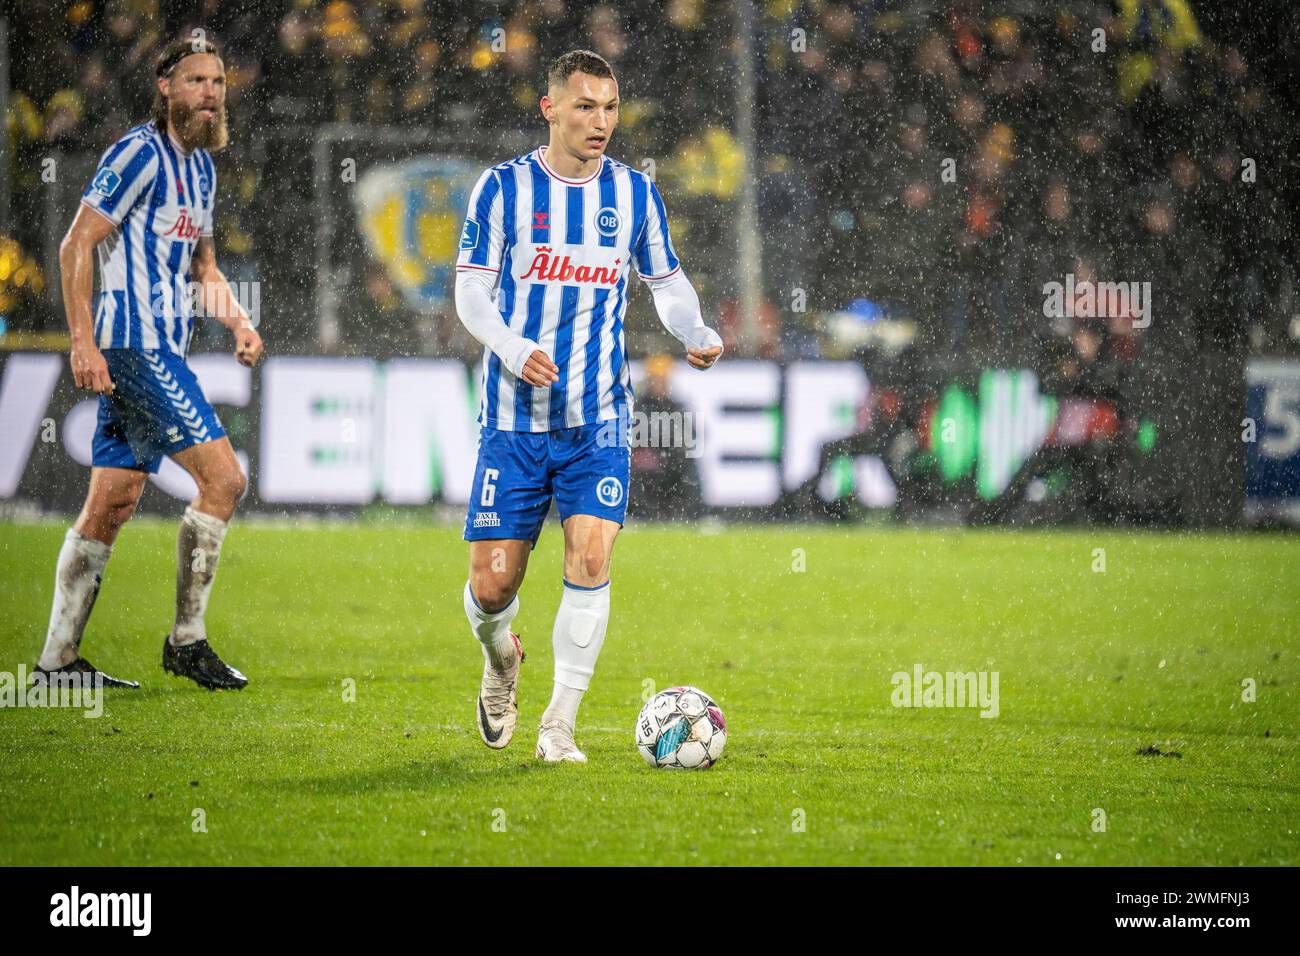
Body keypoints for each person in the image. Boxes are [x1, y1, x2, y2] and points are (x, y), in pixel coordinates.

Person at [455, 50, 723, 762]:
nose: (600, 121)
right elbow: (471, 293)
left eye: (609, 107)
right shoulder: (502, 189)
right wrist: (513, 347)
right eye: (584, 106)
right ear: (550, 108)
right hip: (513, 422)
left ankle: (558, 726)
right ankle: (500, 658)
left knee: (591, 554)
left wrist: (694, 330)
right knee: (492, 586)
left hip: (598, 419)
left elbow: (666, 281)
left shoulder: (635, 194)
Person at [33, 37, 263, 691]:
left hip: (161, 344)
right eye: (195, 80)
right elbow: (78, 241)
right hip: (136, 346)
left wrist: (239, 322)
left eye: (218, 81)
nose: (210, 93)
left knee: (111, 502)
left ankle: (56, 664)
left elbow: (205, 269)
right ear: (165, 87)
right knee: (224, 482)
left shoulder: (204, 170)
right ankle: (186, 642)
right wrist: (82, 341)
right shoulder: (139, 153)